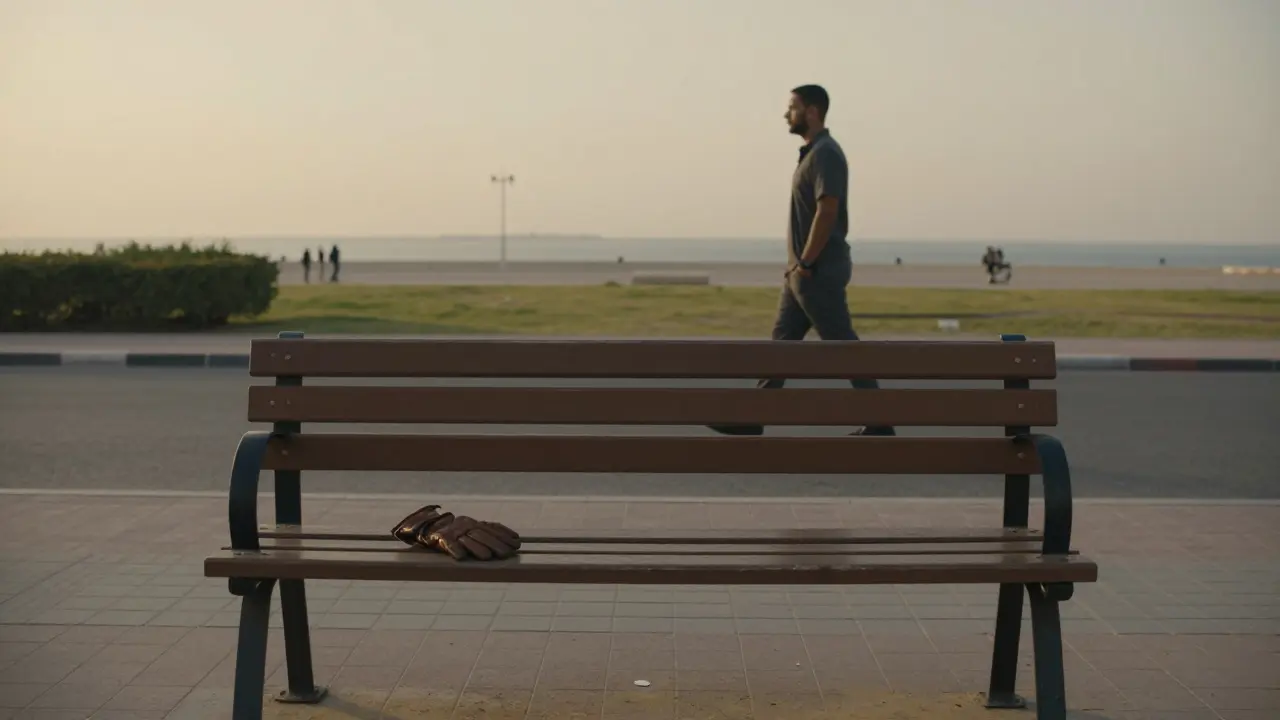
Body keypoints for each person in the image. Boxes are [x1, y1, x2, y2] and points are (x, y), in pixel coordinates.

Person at [710, 84, 894, 437]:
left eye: (792, 107)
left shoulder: (826, 154)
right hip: (801, 275)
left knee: (843, 347)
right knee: (780, 348)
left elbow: (828, 210)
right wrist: (797, 267)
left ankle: (880, 421)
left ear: (811, 111)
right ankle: (752, 418)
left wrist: (806, 262)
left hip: (816, 273)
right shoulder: (812, 153)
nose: (786, 114)